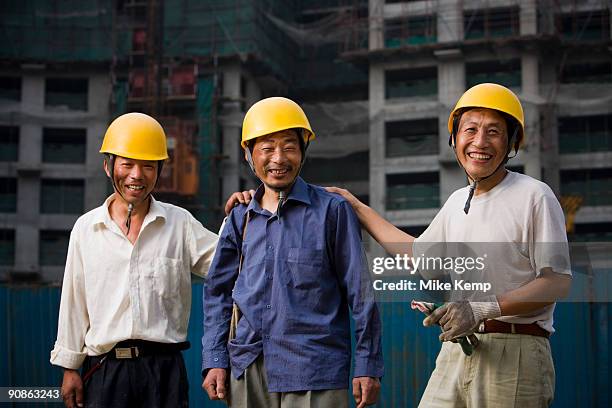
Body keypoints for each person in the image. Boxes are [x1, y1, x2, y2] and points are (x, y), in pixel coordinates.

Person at [227, 84, 572, 407]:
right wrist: (358, 208)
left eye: (493, 131)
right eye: (470, 130)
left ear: (512, 141)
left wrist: (483, 308)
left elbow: (557, 280)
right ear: (454, 138)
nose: (479, 141)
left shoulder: (534, 196)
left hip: (516, 349)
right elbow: (419, 256)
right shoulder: (457, 202)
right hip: (460, 347)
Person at [202, 97, 384, 408]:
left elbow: (360, 293)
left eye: (289, 146)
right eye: (267, 148)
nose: (278, 158)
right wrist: (215, 358)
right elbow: (217, 292)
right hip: (249, 368)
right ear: (249, 155)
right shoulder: (240, 217)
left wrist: (368, 364)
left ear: (302, 153)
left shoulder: (332, 211)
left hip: (315, 371)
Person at [50, 112, 218, 408]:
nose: (136, 175)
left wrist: (251, 207)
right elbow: (73, 302)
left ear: (159, 170)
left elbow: (231, 263)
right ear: (108, 166)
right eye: (127, 164)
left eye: (148, 166)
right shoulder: (87, 229)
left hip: (164, 373)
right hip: (104, 371)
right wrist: (69, 368)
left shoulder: (179, 224)